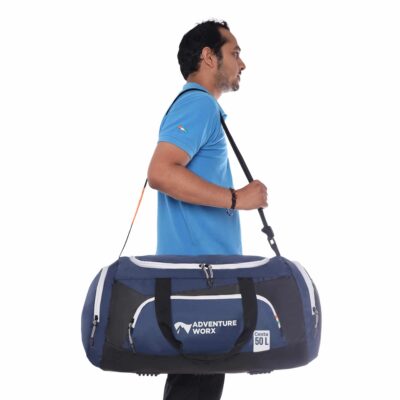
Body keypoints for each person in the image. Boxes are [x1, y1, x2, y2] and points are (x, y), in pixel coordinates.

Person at [147, 19, 268, 400]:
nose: (242, 63)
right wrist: (237, 198)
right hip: (199, 283)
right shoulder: (198, 104)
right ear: (208, 57)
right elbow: (161, 173)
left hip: (200, 281)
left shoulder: (201, 108)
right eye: (235, 53)